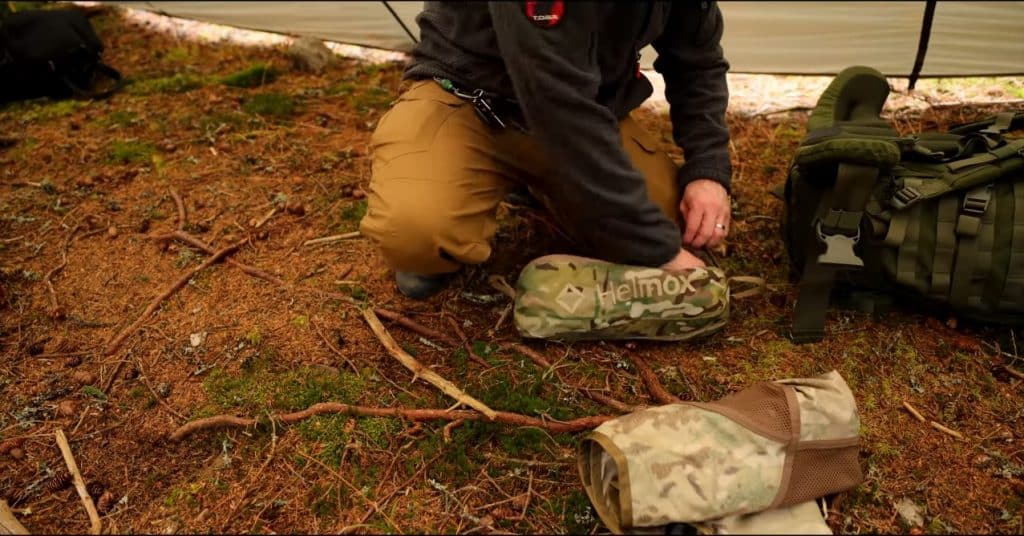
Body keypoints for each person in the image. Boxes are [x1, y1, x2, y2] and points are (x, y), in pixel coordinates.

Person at [360, 1, 732, 299]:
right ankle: (446, 218)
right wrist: (658, 252)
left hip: (589, 113)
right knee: (415, 232)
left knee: (676, 222)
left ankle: (542, 188)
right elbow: (557, 103)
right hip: (469, 102)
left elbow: (697, 61)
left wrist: (707, 169)